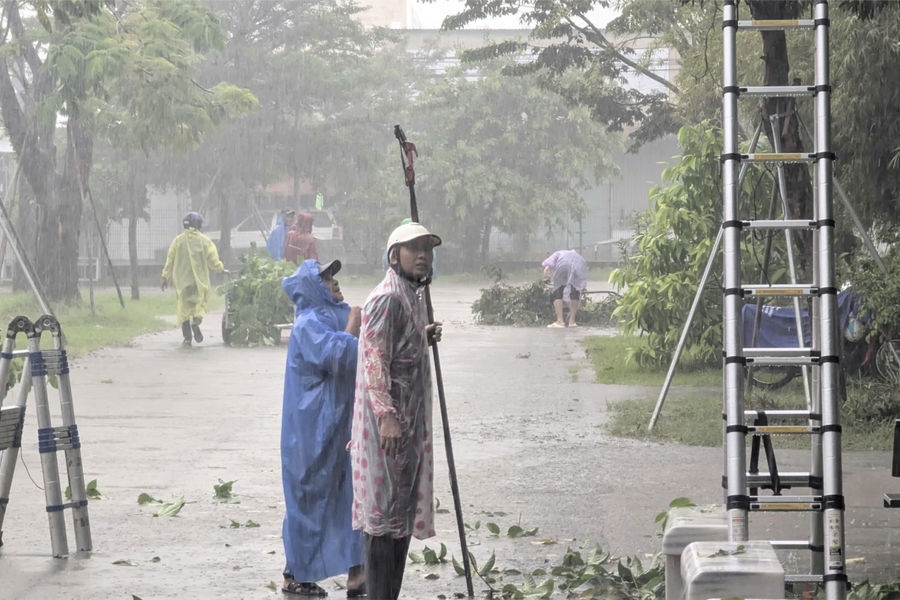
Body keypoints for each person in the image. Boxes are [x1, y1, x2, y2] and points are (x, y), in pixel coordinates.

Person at [350, 222, 443, 600]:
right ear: (394, 256)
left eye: (427, 248)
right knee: (382, 521)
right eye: (414, 248)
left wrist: (422, 335)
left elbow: (398, 344)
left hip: (407, 429)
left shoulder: (411, 295)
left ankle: (388, 595)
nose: (423, 254)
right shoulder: (387, 296)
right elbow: (375, 359)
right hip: (386, 431)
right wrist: (386, 414)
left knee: (399, 517)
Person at [281, 258, 366, 598]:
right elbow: (341, 356)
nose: (335, 283)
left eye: (333, 277)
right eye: (327, 279)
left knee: (349, 495)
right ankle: (296, 574)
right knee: (310, 499)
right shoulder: (308, 323)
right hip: (311, 430)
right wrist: (354, 326)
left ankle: (357, 573)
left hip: (337, 426)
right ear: (313, 288)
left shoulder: (331, 314)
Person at [161, 212, 228, 347]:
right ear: (198, 224)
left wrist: (165, 276)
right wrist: (221, 269)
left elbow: (170, 260)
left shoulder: (177, 241)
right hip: (200, 281)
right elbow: (213, 260)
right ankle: (196, 321)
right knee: (200, 302)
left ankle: (187, 338)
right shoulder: (205, 241)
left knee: (183, 308)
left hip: (182, 282)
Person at [542, 249, 588, 328]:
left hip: (563, 264)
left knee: (558, 288)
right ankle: (572, 321)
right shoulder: (577, 256)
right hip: (578, 265)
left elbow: (550, 261)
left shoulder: (558, 253)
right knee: (575, 290)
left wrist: (547, 266)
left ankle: (560, 321)